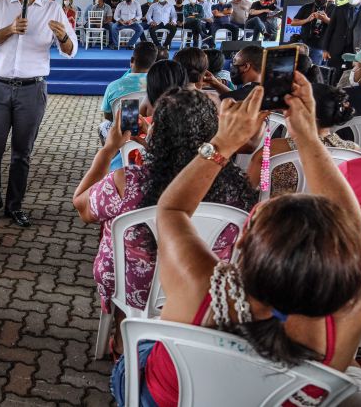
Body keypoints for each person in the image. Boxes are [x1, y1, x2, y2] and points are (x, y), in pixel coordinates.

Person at [110, 76, 361, 407]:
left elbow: (171, 208)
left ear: (243, 250)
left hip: (162, 398)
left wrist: (224, 141)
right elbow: (354, 229)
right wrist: (307, 137)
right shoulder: (347, 315)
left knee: (141, 350)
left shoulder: (202, 290)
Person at [74, 89, 257, 356]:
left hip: (132, 286)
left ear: (155, 131)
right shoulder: (237, 189)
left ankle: (124, 335)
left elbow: (82, 206)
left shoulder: (129, 181)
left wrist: (109, 148)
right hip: (201, 285)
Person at [0, 0, 77, 227]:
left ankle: (14, 206)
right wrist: (8, 29)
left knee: (22, 152)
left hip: (32, 90)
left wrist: (63, 36)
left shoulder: (53, 9)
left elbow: (71, 50)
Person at [248, 83, 358, 195]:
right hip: (330, 212)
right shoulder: (355, 152)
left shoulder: (274, 150)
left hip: (280, 211)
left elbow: (247, 190)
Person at [101, 42, 156, 120]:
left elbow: (108, 116)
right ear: (153, 64)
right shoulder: (157, 86)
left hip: (120, 131)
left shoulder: (113, 86)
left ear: (132, 60)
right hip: (147, 130)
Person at [322, 0, 361, 72]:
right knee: (334, 74)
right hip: (337, 48)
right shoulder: (339, 9)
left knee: (351, 75)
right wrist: (325, 49)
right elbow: (330, 30)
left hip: (357, 50)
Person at [290, 0, 334, 65]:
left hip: (321, 45)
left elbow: (338, 25)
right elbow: (293, 23)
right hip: (305, 42)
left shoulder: (334, 8)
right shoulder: (307, 7)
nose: (321, 0)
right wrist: (307, 19)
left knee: (315, 68)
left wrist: (326, 19)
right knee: (300, 66)